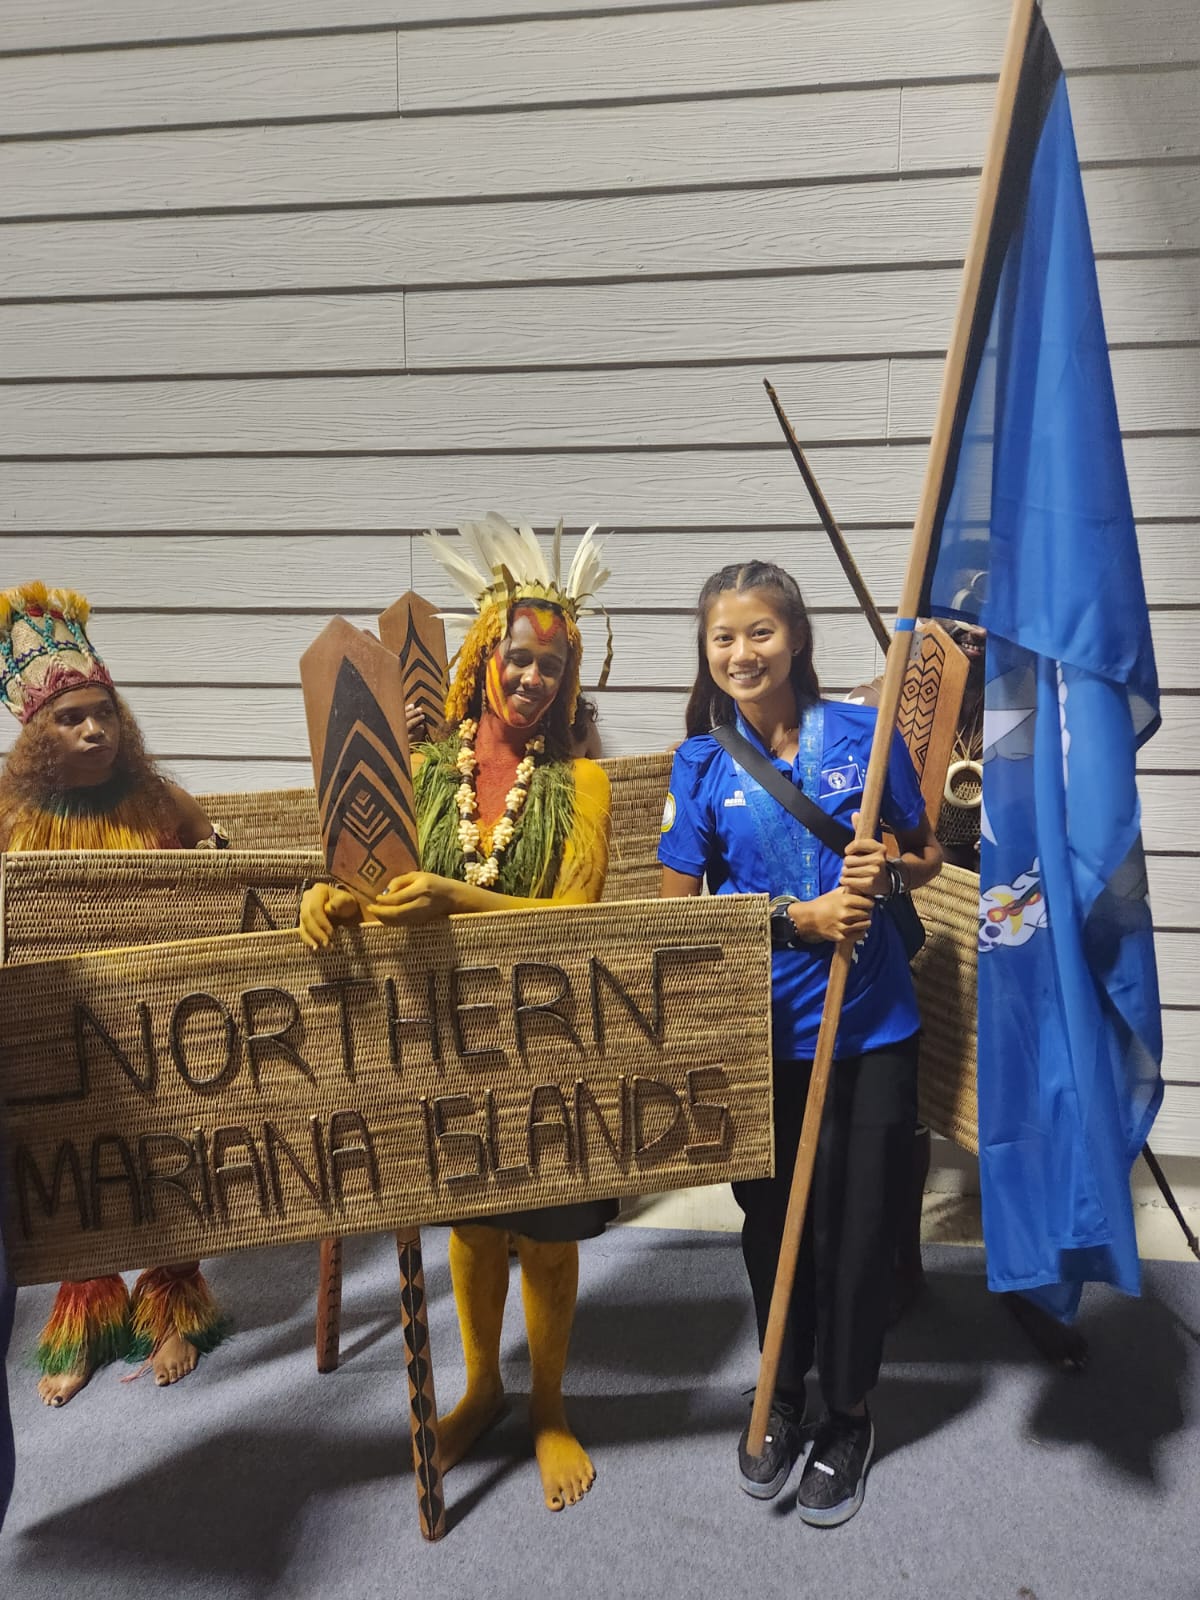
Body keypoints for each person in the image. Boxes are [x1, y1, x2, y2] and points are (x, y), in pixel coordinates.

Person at [299, 514, 613, 1512]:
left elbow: (571, 922)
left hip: (544, 1033)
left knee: (546, 1226)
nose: (533, 681)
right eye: (518, 659)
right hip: (442, 1032)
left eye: (551, 670)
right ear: (483, 659)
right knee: (474, 1217)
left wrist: (458, 898)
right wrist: (331, 899)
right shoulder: (420, 772)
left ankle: (551, 1403)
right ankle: (484, 1382)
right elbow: (374, 874)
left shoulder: (584, 786)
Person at [658, 560, 942, 1526]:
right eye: (723, 638)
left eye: (760, 633)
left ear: (798, 638)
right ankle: (781, 1386)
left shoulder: (862, 739)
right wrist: (798, 919)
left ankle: (849, 1411)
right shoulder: (701, 765)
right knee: (774, 1223)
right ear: (706, 652)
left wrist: (890, 866)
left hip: (871, 1032)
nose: (742, 653)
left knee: (860, 1230)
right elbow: (678, 919)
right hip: (762, 1036)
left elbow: (926, 849)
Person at [0, 583, 229, 1406]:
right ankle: (86, 1317)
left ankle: (170, 1305)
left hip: (159, 1015)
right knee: (75, 1163)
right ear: (37, 734)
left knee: (166, 1159)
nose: (94, 728)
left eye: (105, 714)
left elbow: (216, 855)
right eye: (72, 718)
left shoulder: (155, 798)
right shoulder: (9, 812)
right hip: (60, 1021)